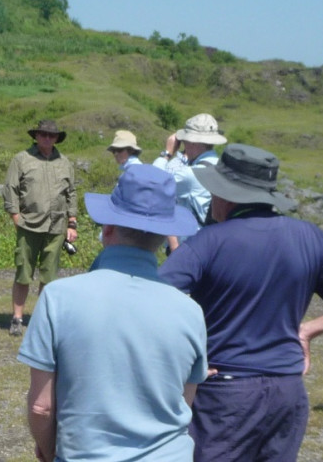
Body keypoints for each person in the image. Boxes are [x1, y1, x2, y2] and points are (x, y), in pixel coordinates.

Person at [159, 143, 323, 461]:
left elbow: (153, 297)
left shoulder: (207, 242)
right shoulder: (311, 238)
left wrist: (184, 357)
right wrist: (308, 330)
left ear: (225, 195)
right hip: (287, 390)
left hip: (225, 391)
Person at [18, 164, 208, 461]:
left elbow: (41, 407)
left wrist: (50, 449)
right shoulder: (191, 312)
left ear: (107, 228)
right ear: (163, 238)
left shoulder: (58, 298)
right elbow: (184, 402)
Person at [2, 119, 78, 337]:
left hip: (56, 227)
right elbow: (10, 188)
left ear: (57, 138)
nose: (47, 138)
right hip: (28, 225)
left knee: (49, 276)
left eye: (51, 135)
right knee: (23, 272)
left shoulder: (64, 162)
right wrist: (15, 216)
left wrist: (72, 222)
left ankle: (41, 319)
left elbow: (71, 193)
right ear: (36, 136)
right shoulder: (21, 159)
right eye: (43, 134)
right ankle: (17, 317)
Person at [152, 113, 226, 250]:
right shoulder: (223, 167)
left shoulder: (190, 175)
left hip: (193, 247)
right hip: (216, 244)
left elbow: (150, 184)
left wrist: (167, 153)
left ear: (192, 142)